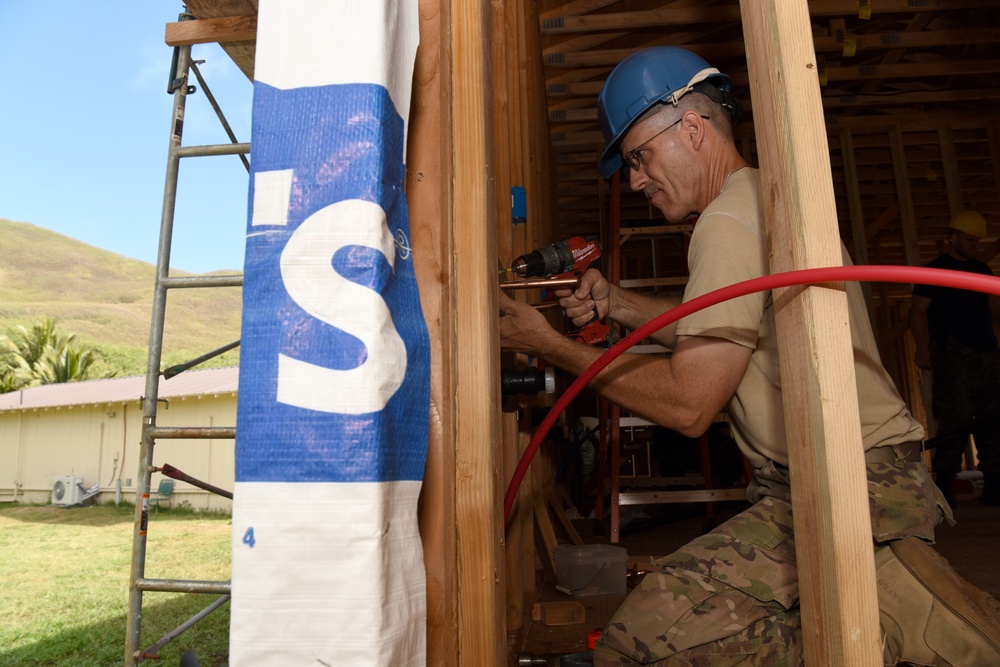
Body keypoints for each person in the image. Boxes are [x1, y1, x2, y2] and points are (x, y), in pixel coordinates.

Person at [498, 46, 1000, 665]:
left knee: (636, 645)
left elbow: (688, 404)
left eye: (639, 156)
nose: (635, 181)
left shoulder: (728, 222)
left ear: (690, 128)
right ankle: (883, 609)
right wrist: (619, 305)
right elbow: (722, 325)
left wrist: (547, 346)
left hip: (852, 486)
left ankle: (898, 607)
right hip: (850, 477)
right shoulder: (758, 201)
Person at [910, 210, 1000, 508]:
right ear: (952, 237)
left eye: (977, 240)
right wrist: (922, 348)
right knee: (955, 419)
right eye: (969, 239)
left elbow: (995, 310)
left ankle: (994, 484)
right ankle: (945, 486)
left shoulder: (983, 271)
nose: (974, 244)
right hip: (953, 353)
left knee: (992, 417)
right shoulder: (934, 271)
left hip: (986, 352)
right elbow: (918, 312)